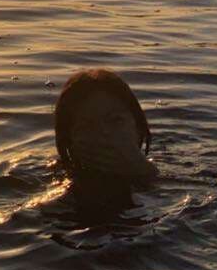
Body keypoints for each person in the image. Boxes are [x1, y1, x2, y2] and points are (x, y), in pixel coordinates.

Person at [54, 68, 157, 197]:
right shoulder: (60, 190)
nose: (104, 133)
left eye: (116, 121)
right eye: (88, 125)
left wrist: (144, 171)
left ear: (138, 126)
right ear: (68, 138)